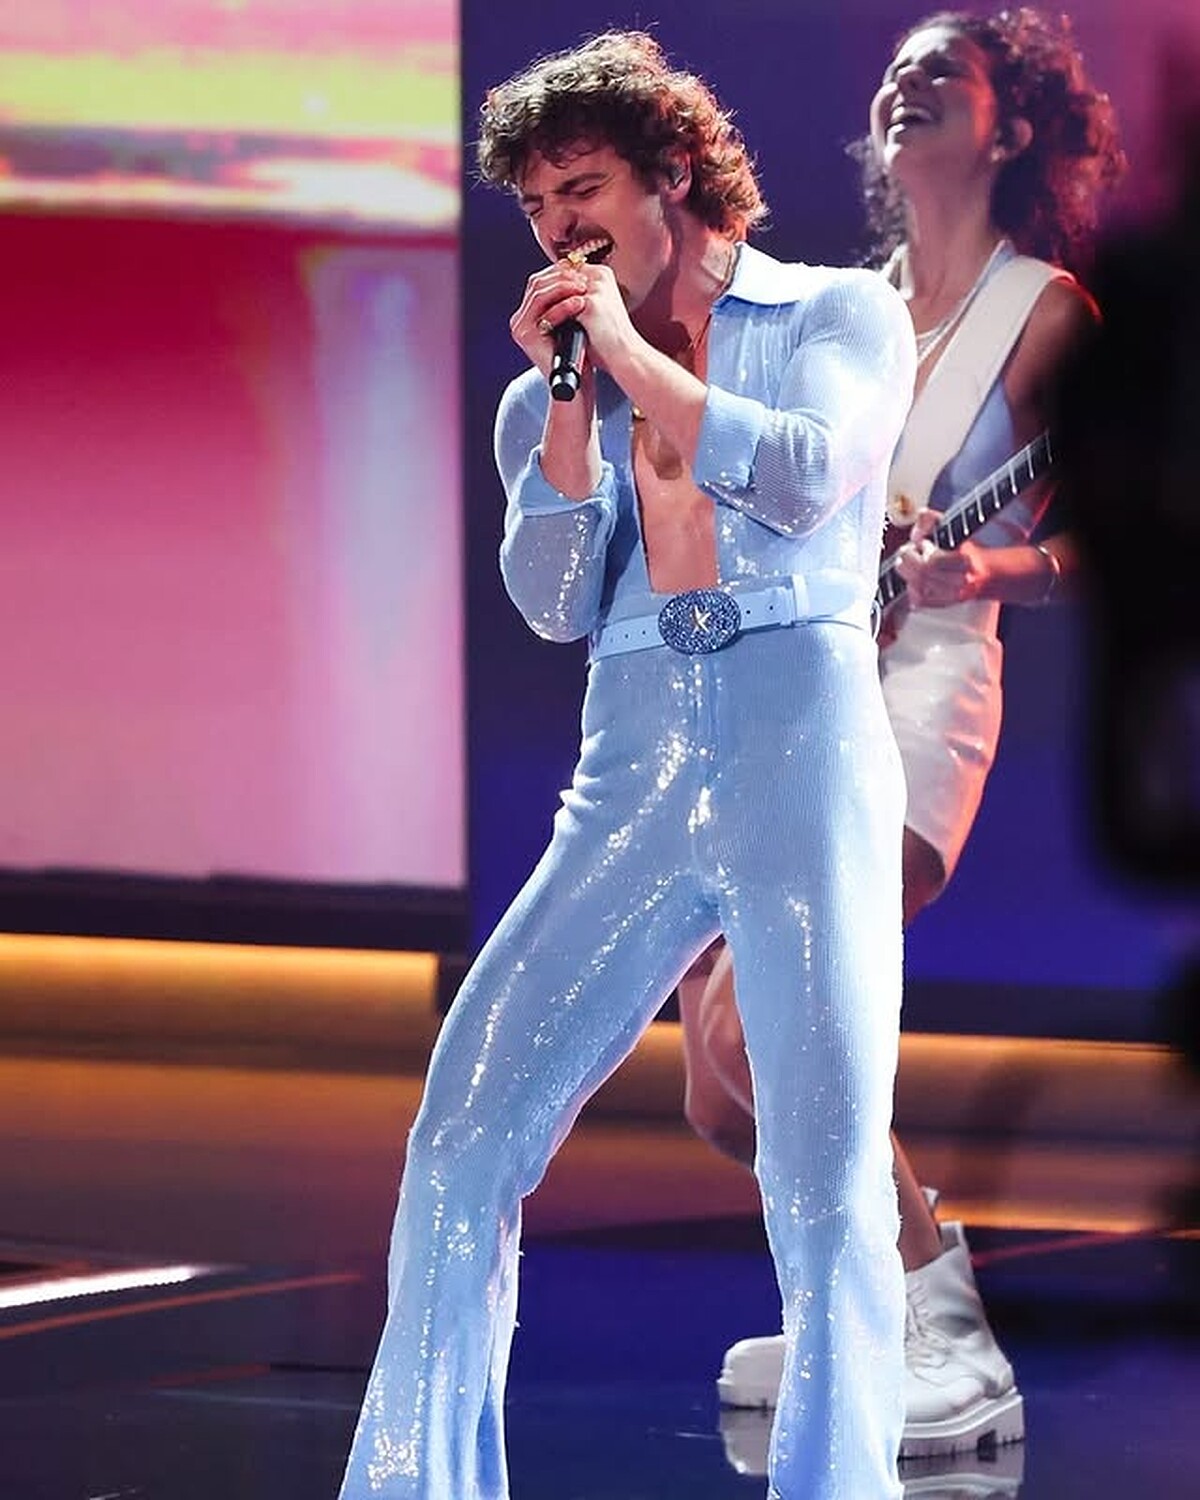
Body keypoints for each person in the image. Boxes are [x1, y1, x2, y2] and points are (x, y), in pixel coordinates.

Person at [336, 28, 916, 1500]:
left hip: (801, 755)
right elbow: (549, 601)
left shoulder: (840, 313)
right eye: (536, 208)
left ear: (675, 173)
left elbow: (802, 474)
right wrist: (570, 410)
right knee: (463, 1135)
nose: (558, 232)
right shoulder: (550, 397)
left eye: (581, 189)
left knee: (825, 1179)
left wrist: (636, 361)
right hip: (632, 769)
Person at [678, 3, 1124, 1464]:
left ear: (1011, 126)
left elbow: (1129, 539)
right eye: (896, 68)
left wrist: (980, 566)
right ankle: (850, 1315)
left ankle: (946, 1329)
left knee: (765, 1015)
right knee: (717, 1081)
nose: (906, 84)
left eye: (946, 71)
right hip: (805, 683)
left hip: (924, 693)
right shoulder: (848, 309)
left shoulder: (1046, 315)